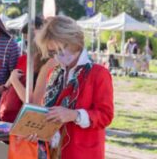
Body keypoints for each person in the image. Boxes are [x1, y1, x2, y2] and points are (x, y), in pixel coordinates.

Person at [28, 16, 114, 159]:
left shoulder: (99, 74)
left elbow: (106, 115)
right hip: (54, 151)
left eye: (60, 50)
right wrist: (37, 130)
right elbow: (49, 112)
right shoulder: (54, 73)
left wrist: (74, 115)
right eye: (53, 52)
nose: (57, 56)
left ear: (74, 43)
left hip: (83, 152)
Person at [0, 17, 57, 122]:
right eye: (26, 39)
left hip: (32, 119)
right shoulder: (25, 59)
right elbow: (6, 87)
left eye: (33, 37)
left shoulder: (49, 63)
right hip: (16, 117)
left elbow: (31, 101)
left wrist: (14, 80)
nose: (29, 42)